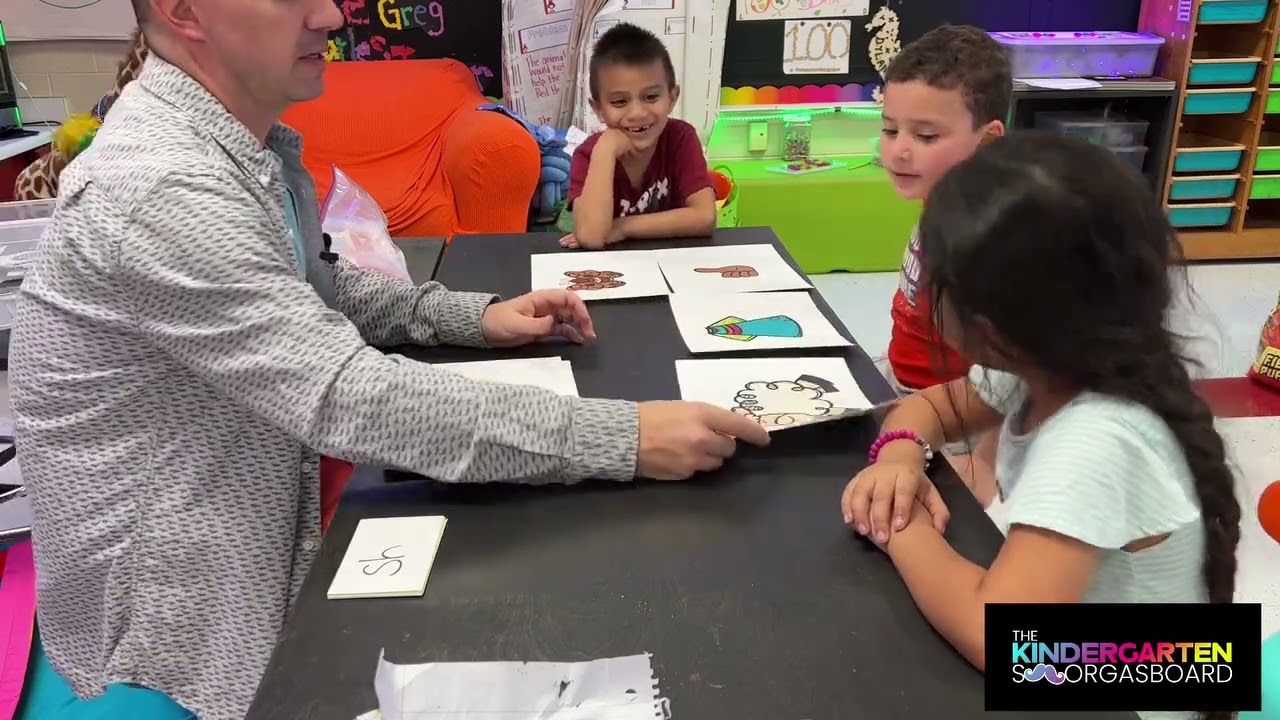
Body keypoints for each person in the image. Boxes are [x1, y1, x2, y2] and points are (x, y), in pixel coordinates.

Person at [7, 1, 770, 718]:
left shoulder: (242, 144)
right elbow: (349, 396)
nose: (331, 14)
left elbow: (314, 285)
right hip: (180, 626)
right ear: (182, 11)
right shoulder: (163, 186)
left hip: (270, 505)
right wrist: (626, 437)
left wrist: (472, 317)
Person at [840, 133, 1242, 720]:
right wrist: (899, 454)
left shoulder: (1097, 438)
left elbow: (1008, 645)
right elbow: (930, 409)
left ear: (989, 327)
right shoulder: (1052, 363)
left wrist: (899, 526)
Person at [874, 24, 1011, 504]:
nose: (899, 149)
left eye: (926, 135)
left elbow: (1019, 372)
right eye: (890, 129)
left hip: (957, 424)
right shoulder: (940, 202)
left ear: (987, 141)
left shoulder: (990, 240)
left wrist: (986, 463)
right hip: (909, 395)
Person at [560, 22, 716, 250]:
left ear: (672, 98)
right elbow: (591, 236)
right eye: (619, 101)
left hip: (672, 262)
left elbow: (705, 217)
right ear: (599, 109)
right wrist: (605, 150)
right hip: (613, 267)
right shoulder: (589, 153)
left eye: (651, 97)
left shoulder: (681, 138)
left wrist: (623, 227)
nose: (637, 113)